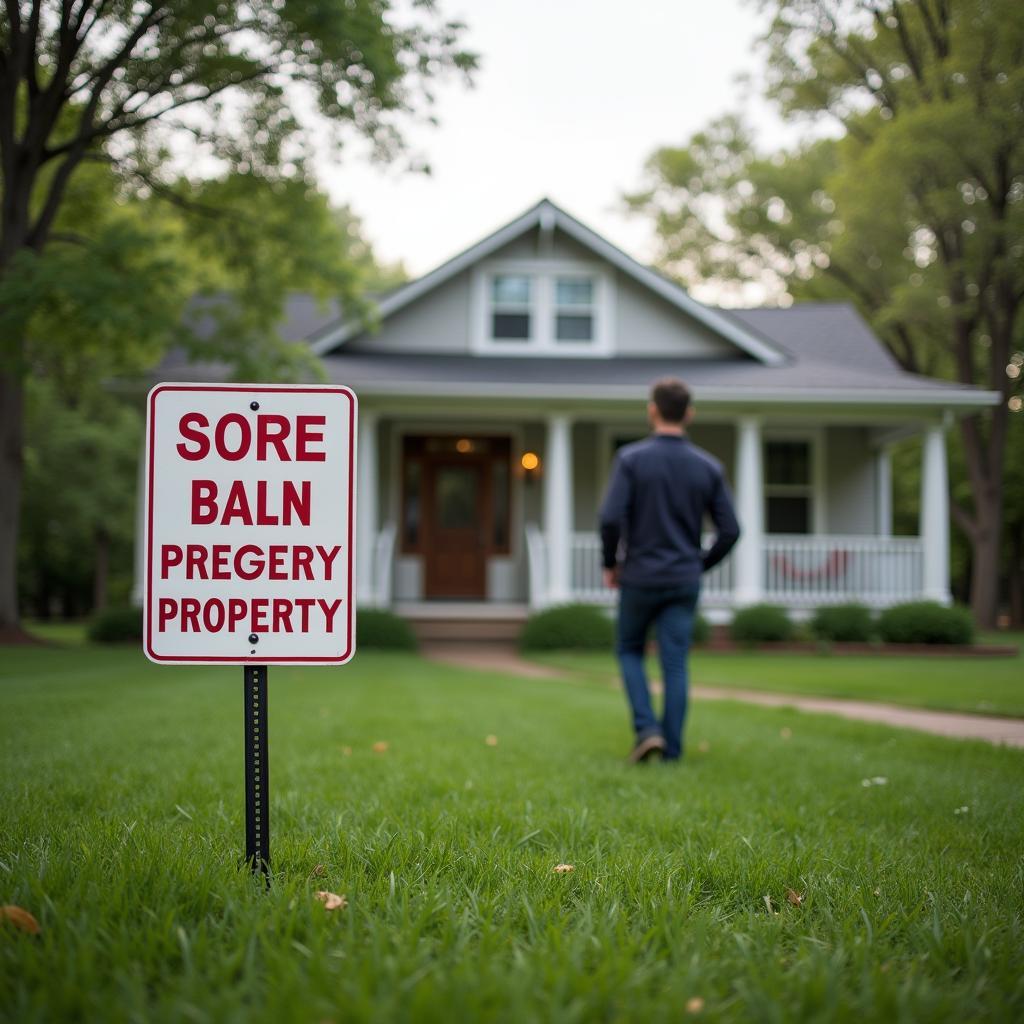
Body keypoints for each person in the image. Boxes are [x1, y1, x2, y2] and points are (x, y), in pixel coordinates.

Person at [598, 378, 740, 763]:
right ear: (689, 414)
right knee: (675, 662)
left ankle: (647, 730)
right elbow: (731, 530)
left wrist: (611, 563)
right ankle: (672, 750)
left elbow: (610, 518)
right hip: (682, 579)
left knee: (629, 650)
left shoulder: (631, 460)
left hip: (640, 577)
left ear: (652, 410)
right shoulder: (708, 467)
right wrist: (699, 565)